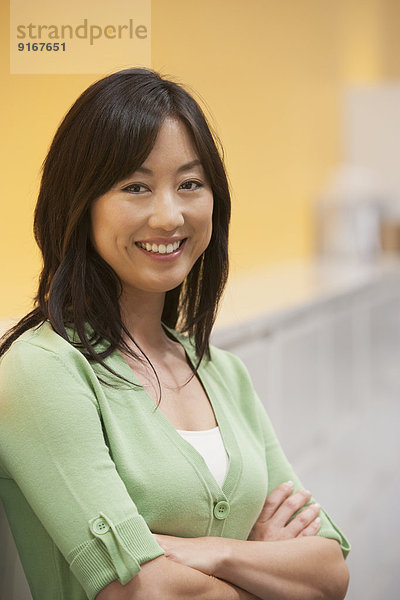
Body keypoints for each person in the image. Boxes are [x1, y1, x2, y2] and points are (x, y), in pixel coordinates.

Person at [0, 67, 350, 600]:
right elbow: (141, 592)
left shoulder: (221, 371)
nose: (169, 215)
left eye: (190, 184)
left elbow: (329, 572)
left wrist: (213, 552)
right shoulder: (43, 369)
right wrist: (267, 566)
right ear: (80, 204)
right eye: (135, 187)